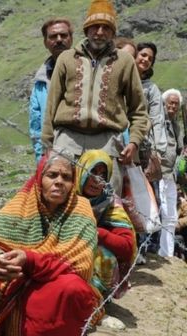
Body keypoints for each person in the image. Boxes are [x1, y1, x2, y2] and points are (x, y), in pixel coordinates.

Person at [0, 152, 99, 336]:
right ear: (39, 179)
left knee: (72, 288)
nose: (59, 182)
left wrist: (29, 260)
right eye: (52, 175)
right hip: (12, 277)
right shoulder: (22, 204)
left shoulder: (81, 208)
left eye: (67, 177)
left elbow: (80, 263)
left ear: (73, 184)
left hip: (49, 281)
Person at [41, 0, 149, 196]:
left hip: (107, 142)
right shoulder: (66, 58)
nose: (99, 32)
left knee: (106, 202)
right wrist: (48, 144)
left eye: (106, 28)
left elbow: (138, 110)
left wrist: (134, 142)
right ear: (86, 29)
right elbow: (51, 105)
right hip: (67, 140)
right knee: (60, 199)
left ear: (113, 32)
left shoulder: (125, 62)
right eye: (95, 26)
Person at [75, 150, 136, 301]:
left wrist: (98, 234)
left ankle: (93, 300)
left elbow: (128, 246)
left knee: (105, 257)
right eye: (93, 172)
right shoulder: (66, 194)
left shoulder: (109, 202)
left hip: (90, 252)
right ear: (81, 171)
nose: (97, 180)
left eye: (103, 175)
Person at [29, 18, 73, 163]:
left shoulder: (87, 70)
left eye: (63, 35)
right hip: (52, 154)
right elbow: (36, 126)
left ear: (71, 39)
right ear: (45, 42)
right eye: (53, 36)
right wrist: (40, 158)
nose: (59, 40)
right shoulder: (40, 82)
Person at [154, 88, 184, 257]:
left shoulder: (177, 125)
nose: (173, 106)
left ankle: (167, 252)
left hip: (171, 175)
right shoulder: (157, 121)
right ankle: (153, 249)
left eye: (176, 104)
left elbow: (179, 149)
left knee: (170, 215)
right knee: (159, 210)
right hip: (158, 173)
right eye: (170, 103)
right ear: (163, 104)